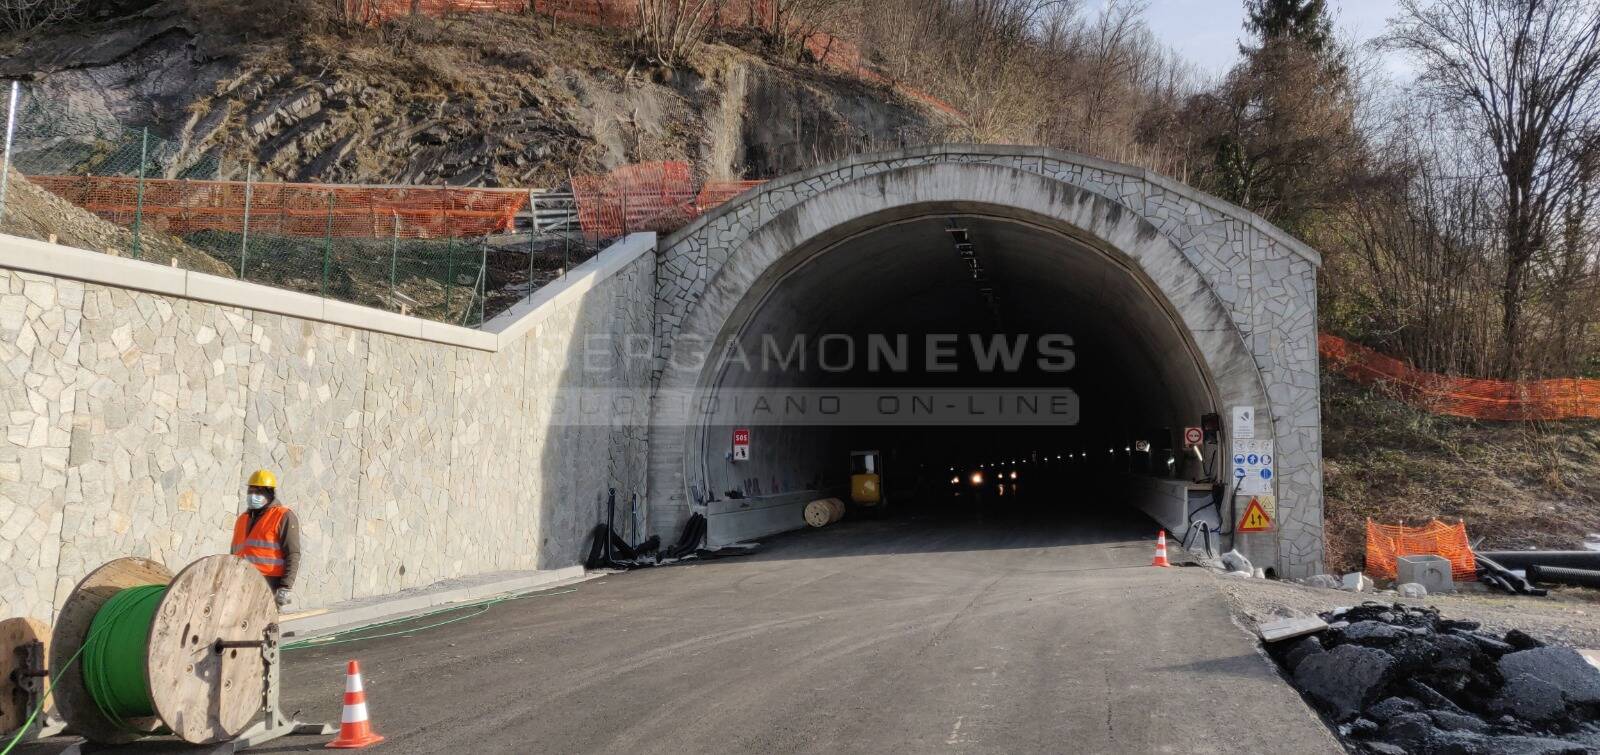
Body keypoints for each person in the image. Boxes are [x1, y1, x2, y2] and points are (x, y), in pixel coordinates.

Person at [231, 469, 301, 608]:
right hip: (241, 582)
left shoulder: (283, 516)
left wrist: (285, 587)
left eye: (258, 492)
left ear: (269, 494)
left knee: (264, 625)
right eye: (251, 491)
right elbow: (233, 553)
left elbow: (293, 554)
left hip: (269, 584)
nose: (253, 496)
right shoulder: (242, 519)